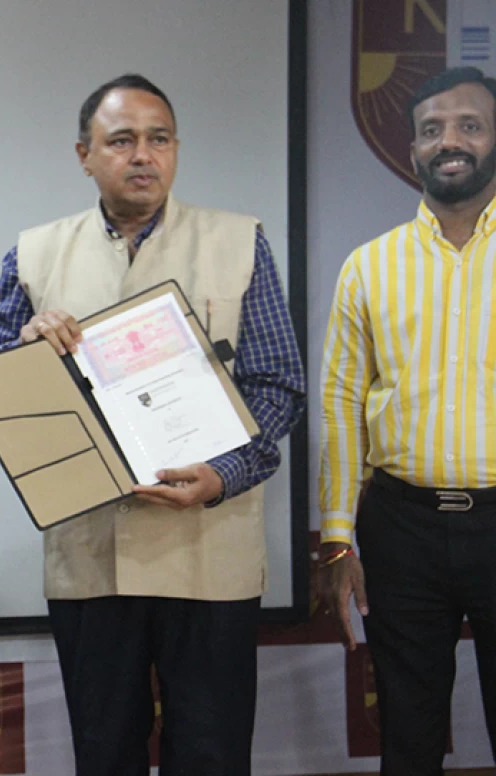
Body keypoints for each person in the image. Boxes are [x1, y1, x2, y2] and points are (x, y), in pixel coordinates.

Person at [0, 73, 304, 775]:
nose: (142, 155)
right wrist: (27, 346)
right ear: (84, 154)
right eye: (121, 140)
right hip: (92, 558)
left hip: (209, 550)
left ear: (176, 150)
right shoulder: (35, 253)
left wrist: (224, 474)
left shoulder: (240, 242)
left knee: (211, 754)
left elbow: (278, 386)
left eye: (159, 139)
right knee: (104, 752)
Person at [319, 66, 496, 775]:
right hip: (402, 528)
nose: (449, 141)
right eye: (431, 130)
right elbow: (339, 404)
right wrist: (337, 542)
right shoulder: (368, 268)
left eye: (469, 126)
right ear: (414, 150)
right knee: (409, 734)